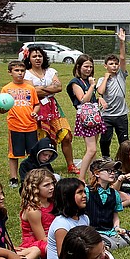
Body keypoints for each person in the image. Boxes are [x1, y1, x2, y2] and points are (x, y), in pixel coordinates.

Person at [24, 45, 77, 175]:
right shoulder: (26, 73)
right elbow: (32, 91)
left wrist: (42, 88)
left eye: (40, 56)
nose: (37, 59)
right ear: (29, 58)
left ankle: (70, 165)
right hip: (37, 108)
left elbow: (59, 87)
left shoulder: (51, 71)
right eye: (34, 56)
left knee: (65, 135)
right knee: (42, 139)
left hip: (53, 107)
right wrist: (49, 88)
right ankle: (42, 166)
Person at [0, 59, 40, 188]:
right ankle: (14, 178)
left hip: (31, 125)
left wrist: (34, 112)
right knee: (14, 153)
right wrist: (1, 109)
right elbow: (2, 106)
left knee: (33, 153)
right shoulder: (6, 89)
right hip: (15, 126)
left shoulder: (30, 88)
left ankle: (33, 175)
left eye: (22, 71)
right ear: (10, 72)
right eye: (16, 70)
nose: (20, 73)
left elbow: (37, 104)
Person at [67, 56, 107, 179]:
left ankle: (92, 177)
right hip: (86, 119)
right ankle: (82, 178)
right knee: (91, 149)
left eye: (90, 66)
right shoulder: (75, 82)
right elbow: (83, 100)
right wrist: (92, 86)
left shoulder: (87, 81)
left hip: (94, 117)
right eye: (86, 66)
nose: (89, 69)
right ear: (78, 67)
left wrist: (99, 98)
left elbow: (92, 97)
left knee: (93, 152)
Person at [44, 177, 89, 259]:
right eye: (80, 192)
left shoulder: (84, 218)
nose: (84, 196)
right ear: (67, 197)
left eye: (84, 192)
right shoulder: (61, 225)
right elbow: (63, 256)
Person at [85, 159, 130, 249]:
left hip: (109, 230)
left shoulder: (114, 194)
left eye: (114, 171)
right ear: (97, 173)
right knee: (102, 243)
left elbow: (115, 215)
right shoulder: (87, 191)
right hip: (92, 231)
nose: (112, 173)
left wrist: (116, 227)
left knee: (126, 241)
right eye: (108, 170)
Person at [99, 29, 129, 159]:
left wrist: (121, 43)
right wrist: (106, 78)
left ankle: (124, 158)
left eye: (116, 64)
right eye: (111, 64)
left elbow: (122, 58)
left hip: (121, 114)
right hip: (107, 115)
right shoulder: (102, 79)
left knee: (124, 141)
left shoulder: (121, 75)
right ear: (105, 66)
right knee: (105, 139)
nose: (115, 66)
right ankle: (106, 157)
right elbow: (100, 91)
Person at [18, 169, 56, 259]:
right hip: (36, 243)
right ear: (35, 188)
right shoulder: (33, 210)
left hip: (52, 238)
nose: (52, 187)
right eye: (46, 185)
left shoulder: (52, 203)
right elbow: (41, 238)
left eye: (52, 184)